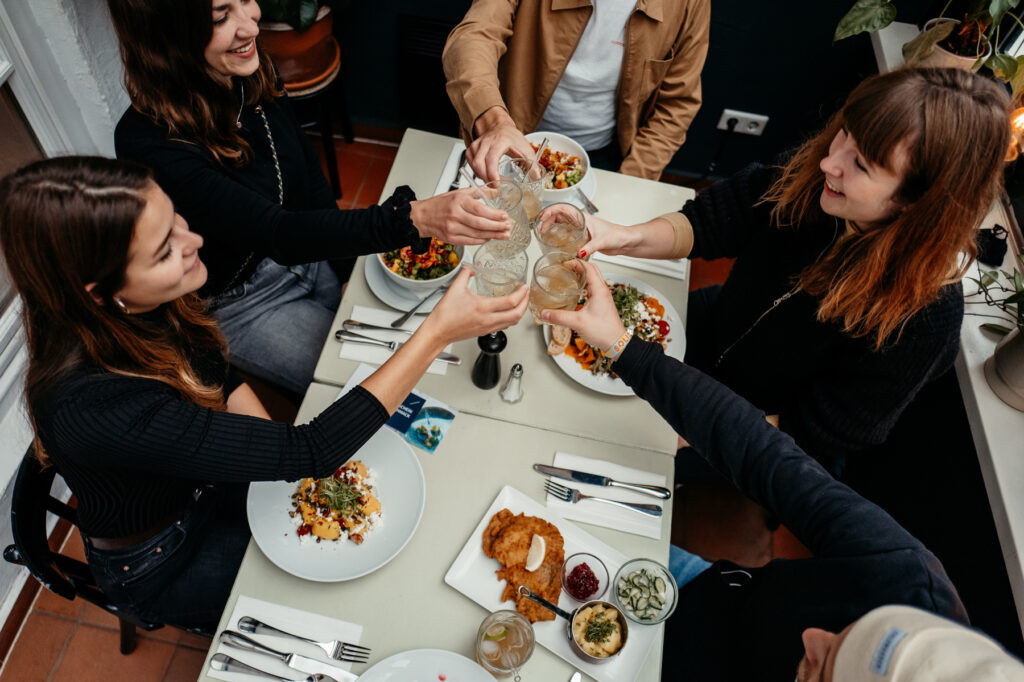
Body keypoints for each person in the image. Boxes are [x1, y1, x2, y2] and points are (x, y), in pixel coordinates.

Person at [0, 156, 528, 631]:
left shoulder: (138, 307)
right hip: (165, 555)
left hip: (202, 482)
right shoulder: (96, 409)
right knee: (354, 596)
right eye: (165, 251)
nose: (194, 242)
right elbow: (313, 452)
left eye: (176, 220)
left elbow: (217, 377)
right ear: (103, 294)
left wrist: (270, 450)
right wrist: (434, 333)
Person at [541, 263, 1024, 680]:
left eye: (829, 661)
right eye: (846, 632)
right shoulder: (906, 577)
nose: (811, 636)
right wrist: (627, 351)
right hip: (706, 596)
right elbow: (764, 454)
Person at [574, 67, 1010, 469]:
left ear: (918, 201)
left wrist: (677, 436)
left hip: (748, 424)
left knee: (597, 446)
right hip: (708, 329)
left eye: (860, 164)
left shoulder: (926, 317)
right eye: (844, 134)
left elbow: (816, 432)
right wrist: (621, 236)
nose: (829, 162)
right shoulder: (819, 181)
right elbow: (710, 222)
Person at [107, 0, 514, 396]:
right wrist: (414, 219)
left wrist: (343, 271)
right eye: (220, 17)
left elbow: (307, 177)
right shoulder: (148, 143)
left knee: (418, 349)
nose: (251, 25)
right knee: (365, 386)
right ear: (169, 35)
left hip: (307, 250)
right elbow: (275, 231)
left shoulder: (250, 68)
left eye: (246, 0)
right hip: (243, 301)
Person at [442, 0, 710, 182]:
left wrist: (629, 180)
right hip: (510, 139)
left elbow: (677, 104)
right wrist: (494, 122)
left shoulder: (690, 4)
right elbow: (474, 36)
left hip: (610, 156)